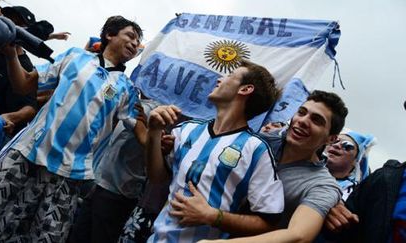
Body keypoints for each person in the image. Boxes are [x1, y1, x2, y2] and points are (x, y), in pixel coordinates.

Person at [0, 15, 143, 242]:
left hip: (71, 174)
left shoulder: (128, 89)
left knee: (47, 237)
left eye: (137, 41)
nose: (134, 44)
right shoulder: (75, 56)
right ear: (109, 35)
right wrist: (12, 54)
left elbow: (142, 131)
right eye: (130, 36)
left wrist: (159, 133)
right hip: (28, 153)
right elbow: (24, 85)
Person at [146, 60, 284, 242]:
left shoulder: (256, 149)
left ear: (245, 89)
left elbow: (269, 223)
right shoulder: (186, 130)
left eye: (230, 75)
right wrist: (153, 133)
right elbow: (157, 178)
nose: (220, 78)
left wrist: (213, 216)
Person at [191, 90, 348, 243]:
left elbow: (299, 236)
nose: (303, 121)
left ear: (331, 139)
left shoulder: (322, 186)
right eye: (301, 112)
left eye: (316, 120)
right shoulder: (259, 142)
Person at [68, 97, 162, 243]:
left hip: (118, 190)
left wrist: (146, 127)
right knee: (78, 236)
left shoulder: (157, 112)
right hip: (99, 181)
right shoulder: (128, 95)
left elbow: (148, 144)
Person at [0, 6, 38, 138]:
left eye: (17, 24)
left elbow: (29, 107)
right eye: (8, 19)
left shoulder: (25, 67)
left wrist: (10, 117)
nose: (11, 26)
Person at [324, 159, 406, 243]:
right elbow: (342, 231)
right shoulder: (383, 180)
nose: (338, 146)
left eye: (348, 147)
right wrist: (327, 208)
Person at [324, 130, 375, 200]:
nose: (336, 145)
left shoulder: (354, 196)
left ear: (356, 162)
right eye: (334, 141)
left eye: (347, 146)